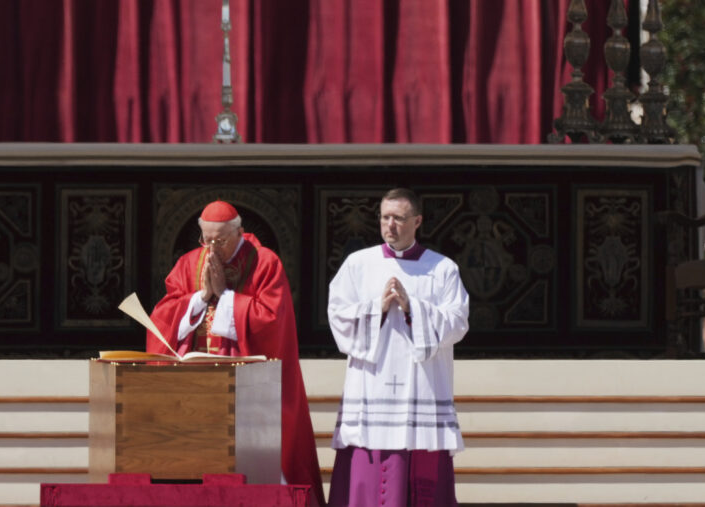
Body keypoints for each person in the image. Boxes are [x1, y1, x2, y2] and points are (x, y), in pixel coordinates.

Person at [147, 200, 325, 505]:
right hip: (196, 390)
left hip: (251, 393)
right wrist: (202, 296)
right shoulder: (189, 263)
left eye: (221, 240)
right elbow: (164, 317)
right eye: (206, 239)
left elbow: (272, 321)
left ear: (239, 231)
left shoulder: (265, 262)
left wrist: (226, 296)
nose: (212, 248)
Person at [327, 188, 469, 507]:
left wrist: (412, 308)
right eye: (385, 217)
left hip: (421, 387)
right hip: (371, 385)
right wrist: (376, 309)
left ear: (417, 221)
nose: (390, 225)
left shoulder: (442, 269)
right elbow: (337, 314)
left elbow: (459, 320)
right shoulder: (357, 264)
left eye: (399, 218)